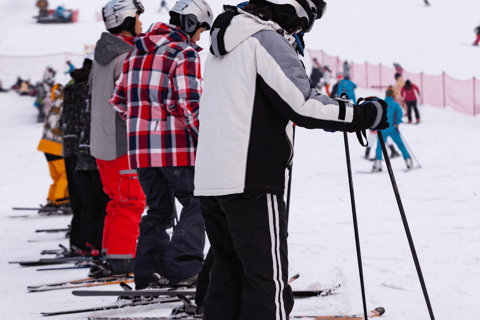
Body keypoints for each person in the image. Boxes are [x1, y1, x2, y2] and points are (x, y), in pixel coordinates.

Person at [193, 1, 389, 319]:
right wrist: (364, 115)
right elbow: (302, 104)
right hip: (251, 181)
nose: (298, 31)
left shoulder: (225, 42)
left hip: (213, 180)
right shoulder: (265, 39)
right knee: (265, 284)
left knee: (227, 276)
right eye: (303, 21)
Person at [110, 0, 213, 290]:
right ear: (192, 23)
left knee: (159, 210)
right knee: (198, 202)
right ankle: (183, 267)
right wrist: (205, 141)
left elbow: (119, 100)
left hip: (141, 153)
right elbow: (188, 104)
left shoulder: (136, 51)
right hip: (175, 149)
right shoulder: (184, 52)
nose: (199, 38)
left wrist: (143, 126)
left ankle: (149, 271)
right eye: (200, 31)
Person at [88, 0, 147, 277]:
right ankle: (123, 259)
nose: (141, 24)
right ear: (125, 20)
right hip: (120, 143)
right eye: (137, 18)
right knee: (131, 201)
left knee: (116, 200)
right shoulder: (125, 58)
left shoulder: (102, 55)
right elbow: (129, 103)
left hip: (102, 143)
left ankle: (111, 255)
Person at [62, 55, 109, 256]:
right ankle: (94, 243)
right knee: (99, 202)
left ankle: (81, 241)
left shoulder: (71, 88)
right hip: (89, 151)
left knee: (81, 201)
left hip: (71, 148)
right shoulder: (87, 90)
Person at [37, 84, 71, 213]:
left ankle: (52, 199)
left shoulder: (54, 104)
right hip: (57, 145)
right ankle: (61, 199)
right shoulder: (64, 104)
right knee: (64, 174)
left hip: (46, 145)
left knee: (56, 176)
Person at [372, 86, 413, 172]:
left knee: (379, 147)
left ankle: (377, 164)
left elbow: (376, 115)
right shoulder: (395, 104)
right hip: (393, 128)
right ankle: (408, 161)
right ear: (393, 95)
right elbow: (399, 114)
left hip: (382, 129)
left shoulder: (380, 104)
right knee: (401, 145)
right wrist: (397, 124)